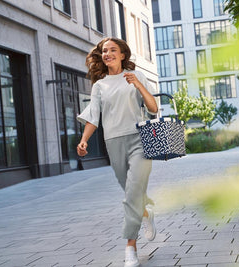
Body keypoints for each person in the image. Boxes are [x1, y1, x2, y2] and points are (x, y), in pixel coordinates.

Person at [76, 37, 158, 267]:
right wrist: (84, 141)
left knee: (131, 194)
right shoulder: (99, 86)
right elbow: (93, 117)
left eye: (113, 50)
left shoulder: (136, 76)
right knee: (130, 190)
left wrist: (138, 84)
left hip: (140, 140)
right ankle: (145, 214)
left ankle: (130, 247)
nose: (107, 53)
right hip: (113, 143)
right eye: (104, 51)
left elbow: (153, 109)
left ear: (123, 55)